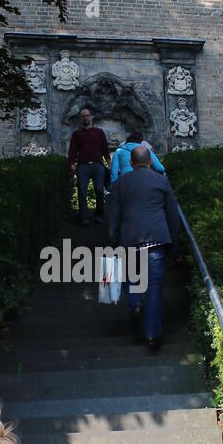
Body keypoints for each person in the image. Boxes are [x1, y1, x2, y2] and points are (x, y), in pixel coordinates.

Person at [107, 144, 181, 351]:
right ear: (150, 162)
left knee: (131, 275)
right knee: (155, 288)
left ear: (130, 163)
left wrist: (113, 241)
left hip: (129, 239)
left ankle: (135, 303)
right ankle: (152, 334)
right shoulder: (161, 181)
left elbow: (113, 216)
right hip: (156, 240)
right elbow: (173, 216)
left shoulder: (120, 183)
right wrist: (175, 248)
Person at [68, 107, 110, 226]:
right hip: (83, 167)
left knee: (99, 190)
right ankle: (84, 218)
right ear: (81, 118)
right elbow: (72, 150)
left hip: (98, 166)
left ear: (91, 117)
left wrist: (109, 162)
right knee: (82, 192)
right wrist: (71, 163)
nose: (85, 118)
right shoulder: (77, 134)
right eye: (83, 116)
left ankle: (99, 216)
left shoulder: (99, 132)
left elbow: (105, 148)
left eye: (87, 115)